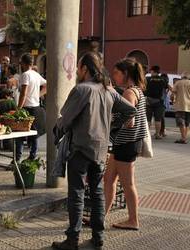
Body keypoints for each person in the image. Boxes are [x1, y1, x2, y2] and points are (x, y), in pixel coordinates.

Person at [52, 53, 136, 250]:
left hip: (80, 148)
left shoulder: (81, 89)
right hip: (100, 149)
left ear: (85, 69)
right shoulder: (109, 90)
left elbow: (65, 120)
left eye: (79, 67)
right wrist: (110, 129)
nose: (77, 71)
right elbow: (130, 110)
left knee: (77, 193)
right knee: (98, 193)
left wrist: (57, 132)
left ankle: (72, 239)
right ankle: (98, 239)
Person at [104, 58, 148, 232]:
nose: (114, 76)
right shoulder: (135, 90)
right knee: (108, 179)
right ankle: (101, 215)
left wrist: (111, 120)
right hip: (124, 144)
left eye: (116, 72)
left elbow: (129, 121)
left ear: (126, 73)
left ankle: (133, 220)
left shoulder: (130, 93)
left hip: (126, 143)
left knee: (128, 183)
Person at [15, 53, 47, 163]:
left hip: (27, 108)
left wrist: (18, 108)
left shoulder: (25, 75)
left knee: (19, 134)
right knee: (34, 133)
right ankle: (33, 155)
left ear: (23, 63)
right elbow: (47, 85)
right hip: (36, 107)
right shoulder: (36, 74)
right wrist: (37, 95)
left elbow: (23, 93)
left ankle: (17, 157)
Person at [171, 73, 190, 144]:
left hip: (180, 105)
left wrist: (172, 100)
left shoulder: (178, 83)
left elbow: (172, 94)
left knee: (181, 122)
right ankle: (184, 138)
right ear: (188, 77)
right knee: (187, 123)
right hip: (189, 106)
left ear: (182, 77)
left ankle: (183, 138)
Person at [145, 65, 170, 139]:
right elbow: (166, 88)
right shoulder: (163, 80)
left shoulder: (148, 79)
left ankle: (146, 134)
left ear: (153, 71)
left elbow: (143, 88)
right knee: (158, 119)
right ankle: (157, 134)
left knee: (148, 119)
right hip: (159, 102)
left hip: (148, 101)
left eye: (151, 71)